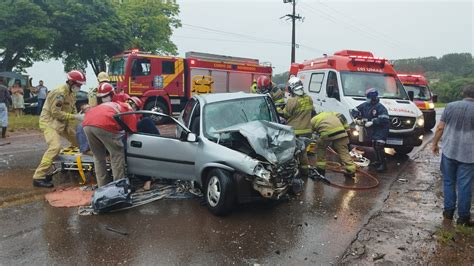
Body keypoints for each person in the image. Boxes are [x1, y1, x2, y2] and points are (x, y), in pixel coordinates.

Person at [33, 70, 86, 188]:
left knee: (80, 142)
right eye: (78, 85)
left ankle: (79, 165)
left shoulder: (72, 94)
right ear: (71, 82)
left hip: (63, 122)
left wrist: (79, 115)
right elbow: (55, 112)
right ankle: (38, 177)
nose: (80, 87)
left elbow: (71, 109)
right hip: (49, 123)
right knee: (55, 147)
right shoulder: (59, 93)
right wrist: (75, 116)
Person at [432, 84, 474, 227]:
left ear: (463, 93)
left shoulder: (450, 106)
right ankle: (463, 218)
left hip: (449, 151)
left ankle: (448, 212)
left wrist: (434, 144)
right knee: (464, 185)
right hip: (469, 155)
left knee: (449, 182)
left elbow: (440, 127)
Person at [82, 83, 137, 187]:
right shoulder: (127, 108)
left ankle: (102, 187)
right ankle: (118, 188)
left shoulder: (103, 106)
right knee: (116, 155)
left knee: (98, 158)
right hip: (104, 123)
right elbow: (132, 132)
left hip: (87, 123)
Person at [280, 76, 314, 178]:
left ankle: (290, 173)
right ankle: (305, 172)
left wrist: (278, 109)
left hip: (295, 132)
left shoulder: (291, 101)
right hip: (308, 131)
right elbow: (311, 111)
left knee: (291, 152)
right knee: (303, 152)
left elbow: (286, 114)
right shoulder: (309, 98)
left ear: (291, 88)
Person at [351, 88, 390, 172]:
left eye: (368, 97)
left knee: (379, 145)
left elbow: (385, 119)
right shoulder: (365, 105)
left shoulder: (380, 107)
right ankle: (378, 161)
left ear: (373, 98)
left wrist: (373, 122)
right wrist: (357, 117)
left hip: (381, 129)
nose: (367, 99)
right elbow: (354, 110)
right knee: (374, 145)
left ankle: (383, 165)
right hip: (373, 130)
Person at [311, 111, 356, 178]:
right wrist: (347, 129)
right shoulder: (330, 113)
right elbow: (342, 116)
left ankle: (321, 169)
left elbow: (310, 133)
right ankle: (351, 170)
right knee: (344, 151)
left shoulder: (312, 120)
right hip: (341, 132)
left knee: (321, 148)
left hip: (327, 134)